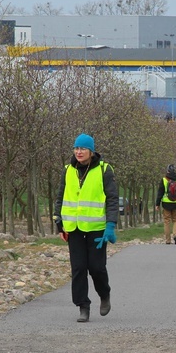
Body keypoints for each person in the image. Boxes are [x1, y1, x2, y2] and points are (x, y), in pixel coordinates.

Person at [54, 133, 118, 323]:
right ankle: (83, 305)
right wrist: (59, 223)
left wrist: (111, 225)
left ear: (91, 151)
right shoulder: (67, 170)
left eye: (83, 149)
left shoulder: (104, 170)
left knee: (97, 268)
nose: (79, 152)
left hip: (97, 228)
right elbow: (61, 197)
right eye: (76, 148)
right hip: (73, 228)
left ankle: (104, 294)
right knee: (79, 268)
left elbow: (113, 199)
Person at [155, 163, 176, 245]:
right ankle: (175, 235)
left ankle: (168, 240)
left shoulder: (164, 179)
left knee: (167, 221)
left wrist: (157, 204)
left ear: (167, 170)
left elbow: (160, 193)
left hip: (166, 203)